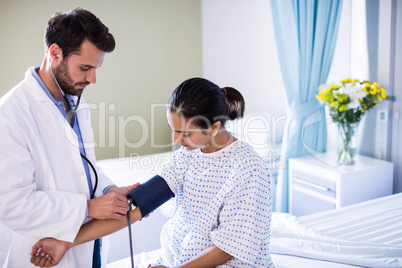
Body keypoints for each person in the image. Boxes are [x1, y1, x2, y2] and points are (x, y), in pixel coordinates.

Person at [30, 78, 274, 267]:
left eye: (186, 133)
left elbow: (229, 248)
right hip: (179, 260)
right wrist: (65, 242)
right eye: (174, 130)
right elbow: (133, 209)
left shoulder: (248, 170)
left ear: (215, 127)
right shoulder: (186, 157)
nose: (177, 140)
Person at [0, 8, 138, 268]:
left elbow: (83, 168)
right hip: (44, 251)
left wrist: (108, 191)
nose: (92, 79)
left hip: (87, 244)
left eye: (96, 68)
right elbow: (11, 205)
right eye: (85, 68)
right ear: (55, 53)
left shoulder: (75, 101)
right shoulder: (10, 114)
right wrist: (88, 208)